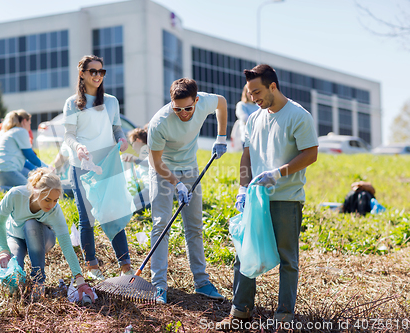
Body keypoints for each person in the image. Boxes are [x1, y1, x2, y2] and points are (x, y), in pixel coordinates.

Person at [217, 64, 318, 331]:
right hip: (256, 198)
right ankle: (240, 313)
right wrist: (242, 188)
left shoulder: (298, 116)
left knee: (288, 259)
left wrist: (278, 173)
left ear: (273, 86)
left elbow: (310, 154)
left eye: (258, 92)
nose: (254, 98)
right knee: (244, 254)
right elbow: (246, 156)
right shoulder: (253, 118)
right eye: (250, 93)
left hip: (286, 198)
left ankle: (284, 316)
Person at [148, 78, 228, 304]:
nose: (183, 113)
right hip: (163, 170)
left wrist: (221, 137)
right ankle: (158, 286)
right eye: (177, 109)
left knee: (194, 226)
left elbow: (222, 102)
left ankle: (202, 282)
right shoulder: (160, 122)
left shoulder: (205, 103)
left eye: (188, 108)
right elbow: (156, 163)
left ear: (197, 100)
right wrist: (177, 184)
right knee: (160, 223)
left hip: (190, 168)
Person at [63, 55, 133, 281]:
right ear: (81, 73)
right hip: (82, 164)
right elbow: (69, 136)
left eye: (101, 72)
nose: (97, 76)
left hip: (108, 163)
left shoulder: (111, 101)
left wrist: (122, 140)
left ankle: (126, 267)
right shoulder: (72, 103)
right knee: (87, 219)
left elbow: (117, 129)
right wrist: (79, 148)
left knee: (113, 213)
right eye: (92, 71)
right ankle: (92, 266)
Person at [0, 167, 94, 301]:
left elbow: (66, 244)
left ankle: (38, 280)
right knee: (13, 282)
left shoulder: (54, 211)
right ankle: (20, 282)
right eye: (47, 199)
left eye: (55, 200)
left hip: (42, 239)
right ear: (35, 190)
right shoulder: (16, 195)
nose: (52, 204)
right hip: (16, 237)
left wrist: (79, 278)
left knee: (31, 224)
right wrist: (3, 251)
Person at [0, 110, 46, 192]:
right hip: (6, 171)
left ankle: (4, 186)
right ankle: (1, 189)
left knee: (31, 178)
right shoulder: (21, 131)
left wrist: (38, 170)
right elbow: (30, 156)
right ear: (24, 121)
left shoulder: (8, 132)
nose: (29, 127)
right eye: (29, 123)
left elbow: (24, 162)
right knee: (31, 191)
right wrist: (46, 168)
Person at [121, 127, 150, 212]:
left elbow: (151, 163)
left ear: (138, 140)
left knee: (131, 207)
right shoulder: (143, 154)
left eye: (132, 143)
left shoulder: (149, 151)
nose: (132, 148)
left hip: (152, 189)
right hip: (148, 189)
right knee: (134, 207)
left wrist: (134, 159)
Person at [233, 84, 259, 150]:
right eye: (250, 92)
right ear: (246, 93)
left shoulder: (259, 107)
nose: (252, 95)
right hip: (247, 138)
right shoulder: (241, 105)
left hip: (259, 138)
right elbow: (245, 118)